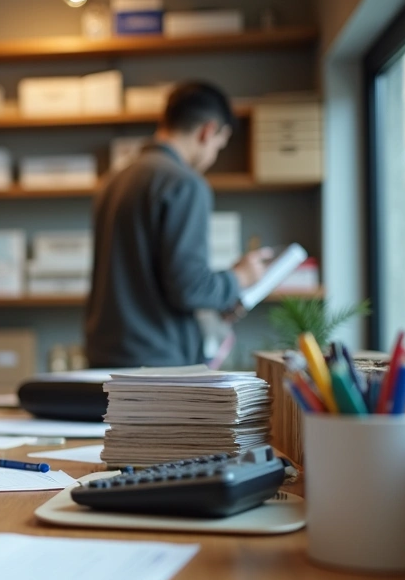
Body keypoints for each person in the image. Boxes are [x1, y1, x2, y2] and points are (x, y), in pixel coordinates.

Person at [84, 81, 271, 369]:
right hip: (156, 364)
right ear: (208, 131)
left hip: (105, 356)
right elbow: (188, 287)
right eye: (219, 146)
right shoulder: (184, 183)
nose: (213, 157)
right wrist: (240, 277)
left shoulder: (114, 179)